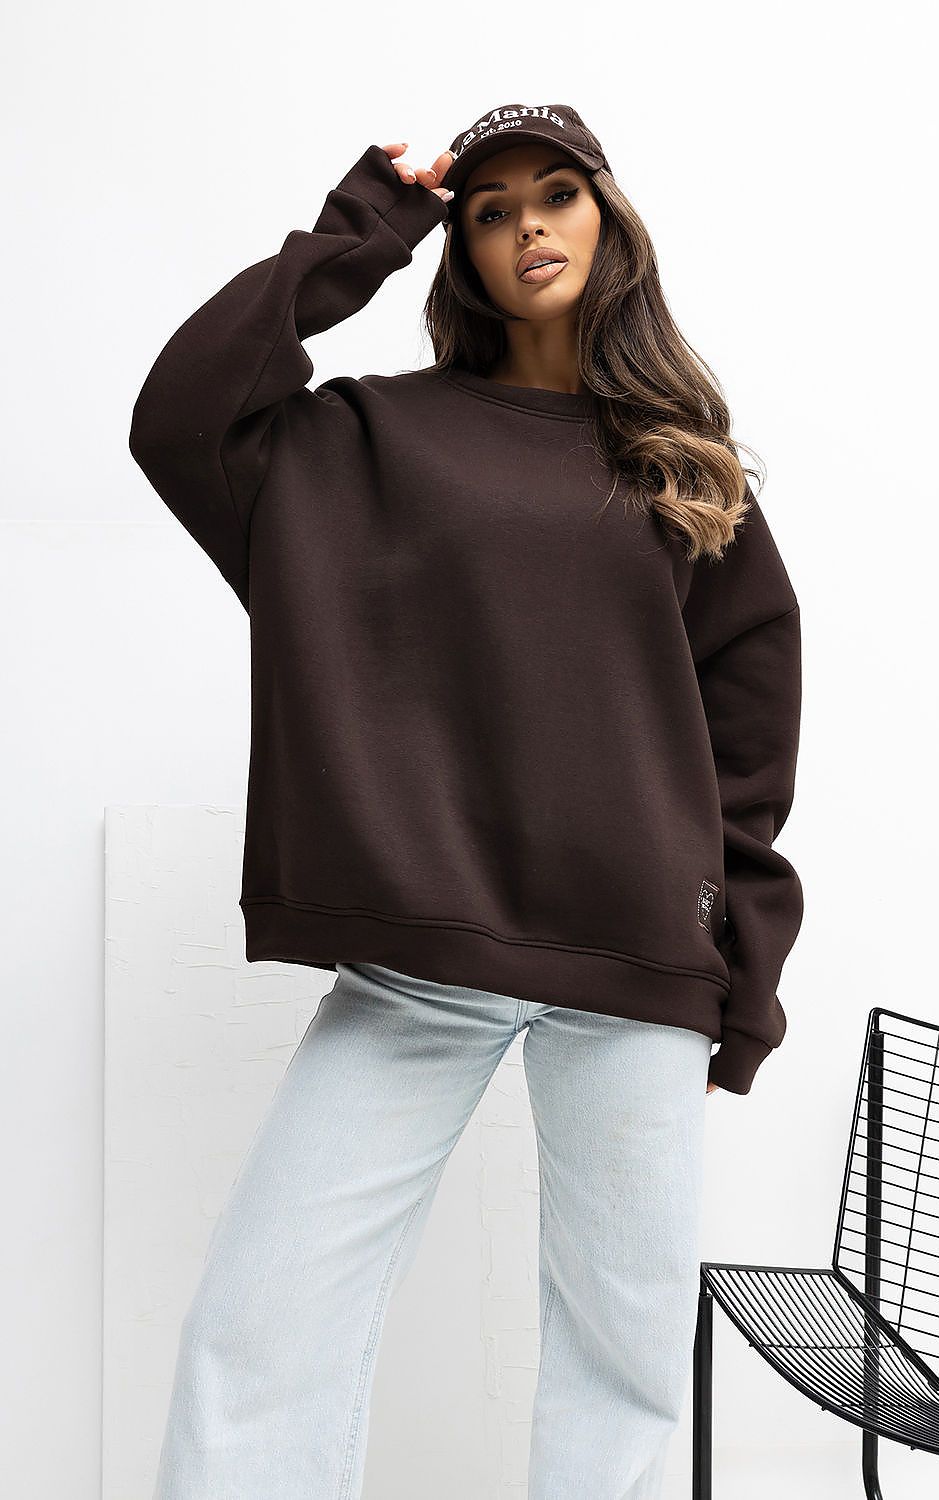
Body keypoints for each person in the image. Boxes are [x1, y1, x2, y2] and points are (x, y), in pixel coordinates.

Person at [129, 101, 804, 1500]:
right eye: (491, 212)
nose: (527, 228)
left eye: (557, 195)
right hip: (421, 963)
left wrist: (740, 967)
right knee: (261, 1331)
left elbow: (746, 740)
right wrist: (363, 230)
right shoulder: (369, 442)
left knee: (623, 1365)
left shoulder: (681, 464)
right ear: (463, 251)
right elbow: (181, 417)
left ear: (609, 220)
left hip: (636, 961)